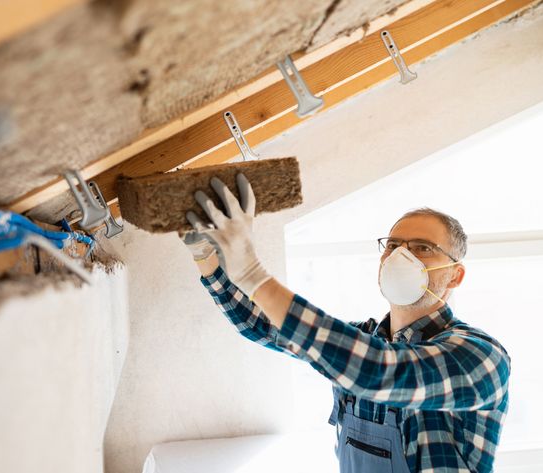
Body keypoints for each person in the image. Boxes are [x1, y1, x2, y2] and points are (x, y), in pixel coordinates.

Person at [182, 174, 511, 473]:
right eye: (393, 245)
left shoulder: (481, 357)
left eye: (423, 248)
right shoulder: (361, 339)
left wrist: (253, 274)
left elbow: (377, 371)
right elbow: (262, 325)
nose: (401, 257)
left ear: (455, 275)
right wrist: (205, 256)